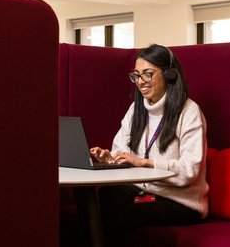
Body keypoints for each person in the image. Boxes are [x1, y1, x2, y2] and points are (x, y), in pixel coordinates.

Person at [89, 44, 209, 245]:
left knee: (118, 208)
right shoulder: (136, 109)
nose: (140, 82)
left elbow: (190, 170)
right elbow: (122, 150)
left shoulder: (189, 112)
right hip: (144, 194)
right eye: (136, 75)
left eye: (148, 74)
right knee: (109, 194)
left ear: (169, 75)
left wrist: (144, 163)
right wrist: (112, 159)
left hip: (180, 202)